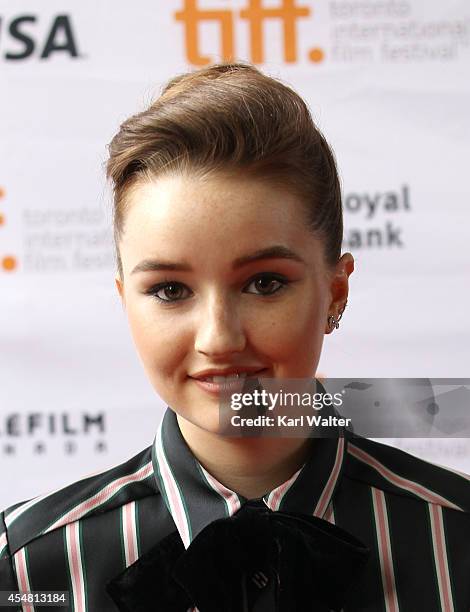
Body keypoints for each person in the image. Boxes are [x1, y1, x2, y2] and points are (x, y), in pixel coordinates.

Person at [1, 61, 469, 612]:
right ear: (125, 299)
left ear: (335, 293)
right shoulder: (26, 567)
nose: (218, 338)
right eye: (171, 290)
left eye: (264, 283)